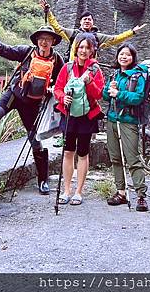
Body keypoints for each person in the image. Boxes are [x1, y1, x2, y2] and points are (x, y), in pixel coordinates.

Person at [0, 20, 64, 195]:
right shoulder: (26, 52)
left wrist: (55, 89)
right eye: (41, 38)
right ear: (36, 40)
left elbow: (61, 81)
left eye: (48, 39)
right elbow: (2, 50)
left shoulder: (57, 60)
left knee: (35, 139)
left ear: (53, 41)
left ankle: (43, 180)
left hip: (32, 104)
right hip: (13, 95)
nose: (44, 42)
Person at [54, 32, 105, 205]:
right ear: (76, 49)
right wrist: (63, 98)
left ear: (92, 51)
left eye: (87, 48)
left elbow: (99, 94)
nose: (83, 50)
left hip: (87, 115)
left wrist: (90, 82)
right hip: (69, 114)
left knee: (83, 152)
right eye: (80, 47)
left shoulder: (96, 70)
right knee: (68, 151)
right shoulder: (67, 68)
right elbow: (58, 89)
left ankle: (78, 191)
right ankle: (66, 190)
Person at [103, 43, 149, 212]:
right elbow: (105, 97)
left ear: (133, 57)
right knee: (116, 158)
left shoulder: (137, 76)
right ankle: (121, 192)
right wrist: (109, 90)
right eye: (121, 54)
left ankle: (141, 196)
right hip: (112, 120)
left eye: (127, 55)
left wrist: (119, 94)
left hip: (128, 121)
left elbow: (138, 98)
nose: (124, 57)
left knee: (132, 158)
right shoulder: (114, 75)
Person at [39, 0, 147, 60]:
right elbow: (57, 28)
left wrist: (132, 32)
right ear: (80, 22)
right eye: (84, 19)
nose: (87, 21)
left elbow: (115, 39)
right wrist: (48, 13)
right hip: (73, 67)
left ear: (93, 22)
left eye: (89, 20)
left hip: (90, 68)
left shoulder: (97, 37)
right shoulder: (74, 33)